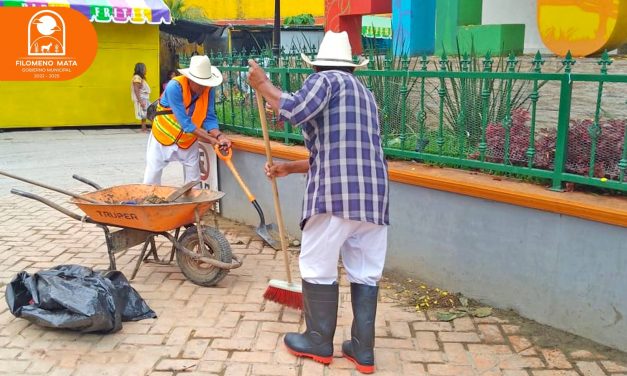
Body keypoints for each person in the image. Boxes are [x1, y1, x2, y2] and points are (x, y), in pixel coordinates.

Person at [247, 31, 389, 374]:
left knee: (316, 264)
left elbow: (293, 106)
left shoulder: (324, 80)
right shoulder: (364, 95)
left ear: (319, 65)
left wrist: (263, 83)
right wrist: (288, 168)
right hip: (374, 198)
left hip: (335, 198)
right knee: (365, 271)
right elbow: (335, 151)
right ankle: (362, 351)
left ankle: (318, 340)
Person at [143, 55, 231, 186]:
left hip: (188, 141)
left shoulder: (208, 90)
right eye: (200, 83)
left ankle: (191, 206)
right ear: (190, 79)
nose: (203, 87)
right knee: (151, 180)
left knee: (193, 183)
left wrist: (219, 136)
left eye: (206, 83)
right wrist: (212, 140)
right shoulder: (174, 87)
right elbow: (186, 124)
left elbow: (209, 117)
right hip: (162, 137)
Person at [131, 62, 151, 133]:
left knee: (144, 113)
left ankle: (144, 127)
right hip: (142, 99)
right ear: (141, 69)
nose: (146, 70)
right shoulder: (137, 78)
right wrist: (140, 101)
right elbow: (136, 90)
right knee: (144, 113)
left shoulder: (139, 78)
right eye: (145, 68)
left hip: (144, 98)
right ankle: (143, 128)